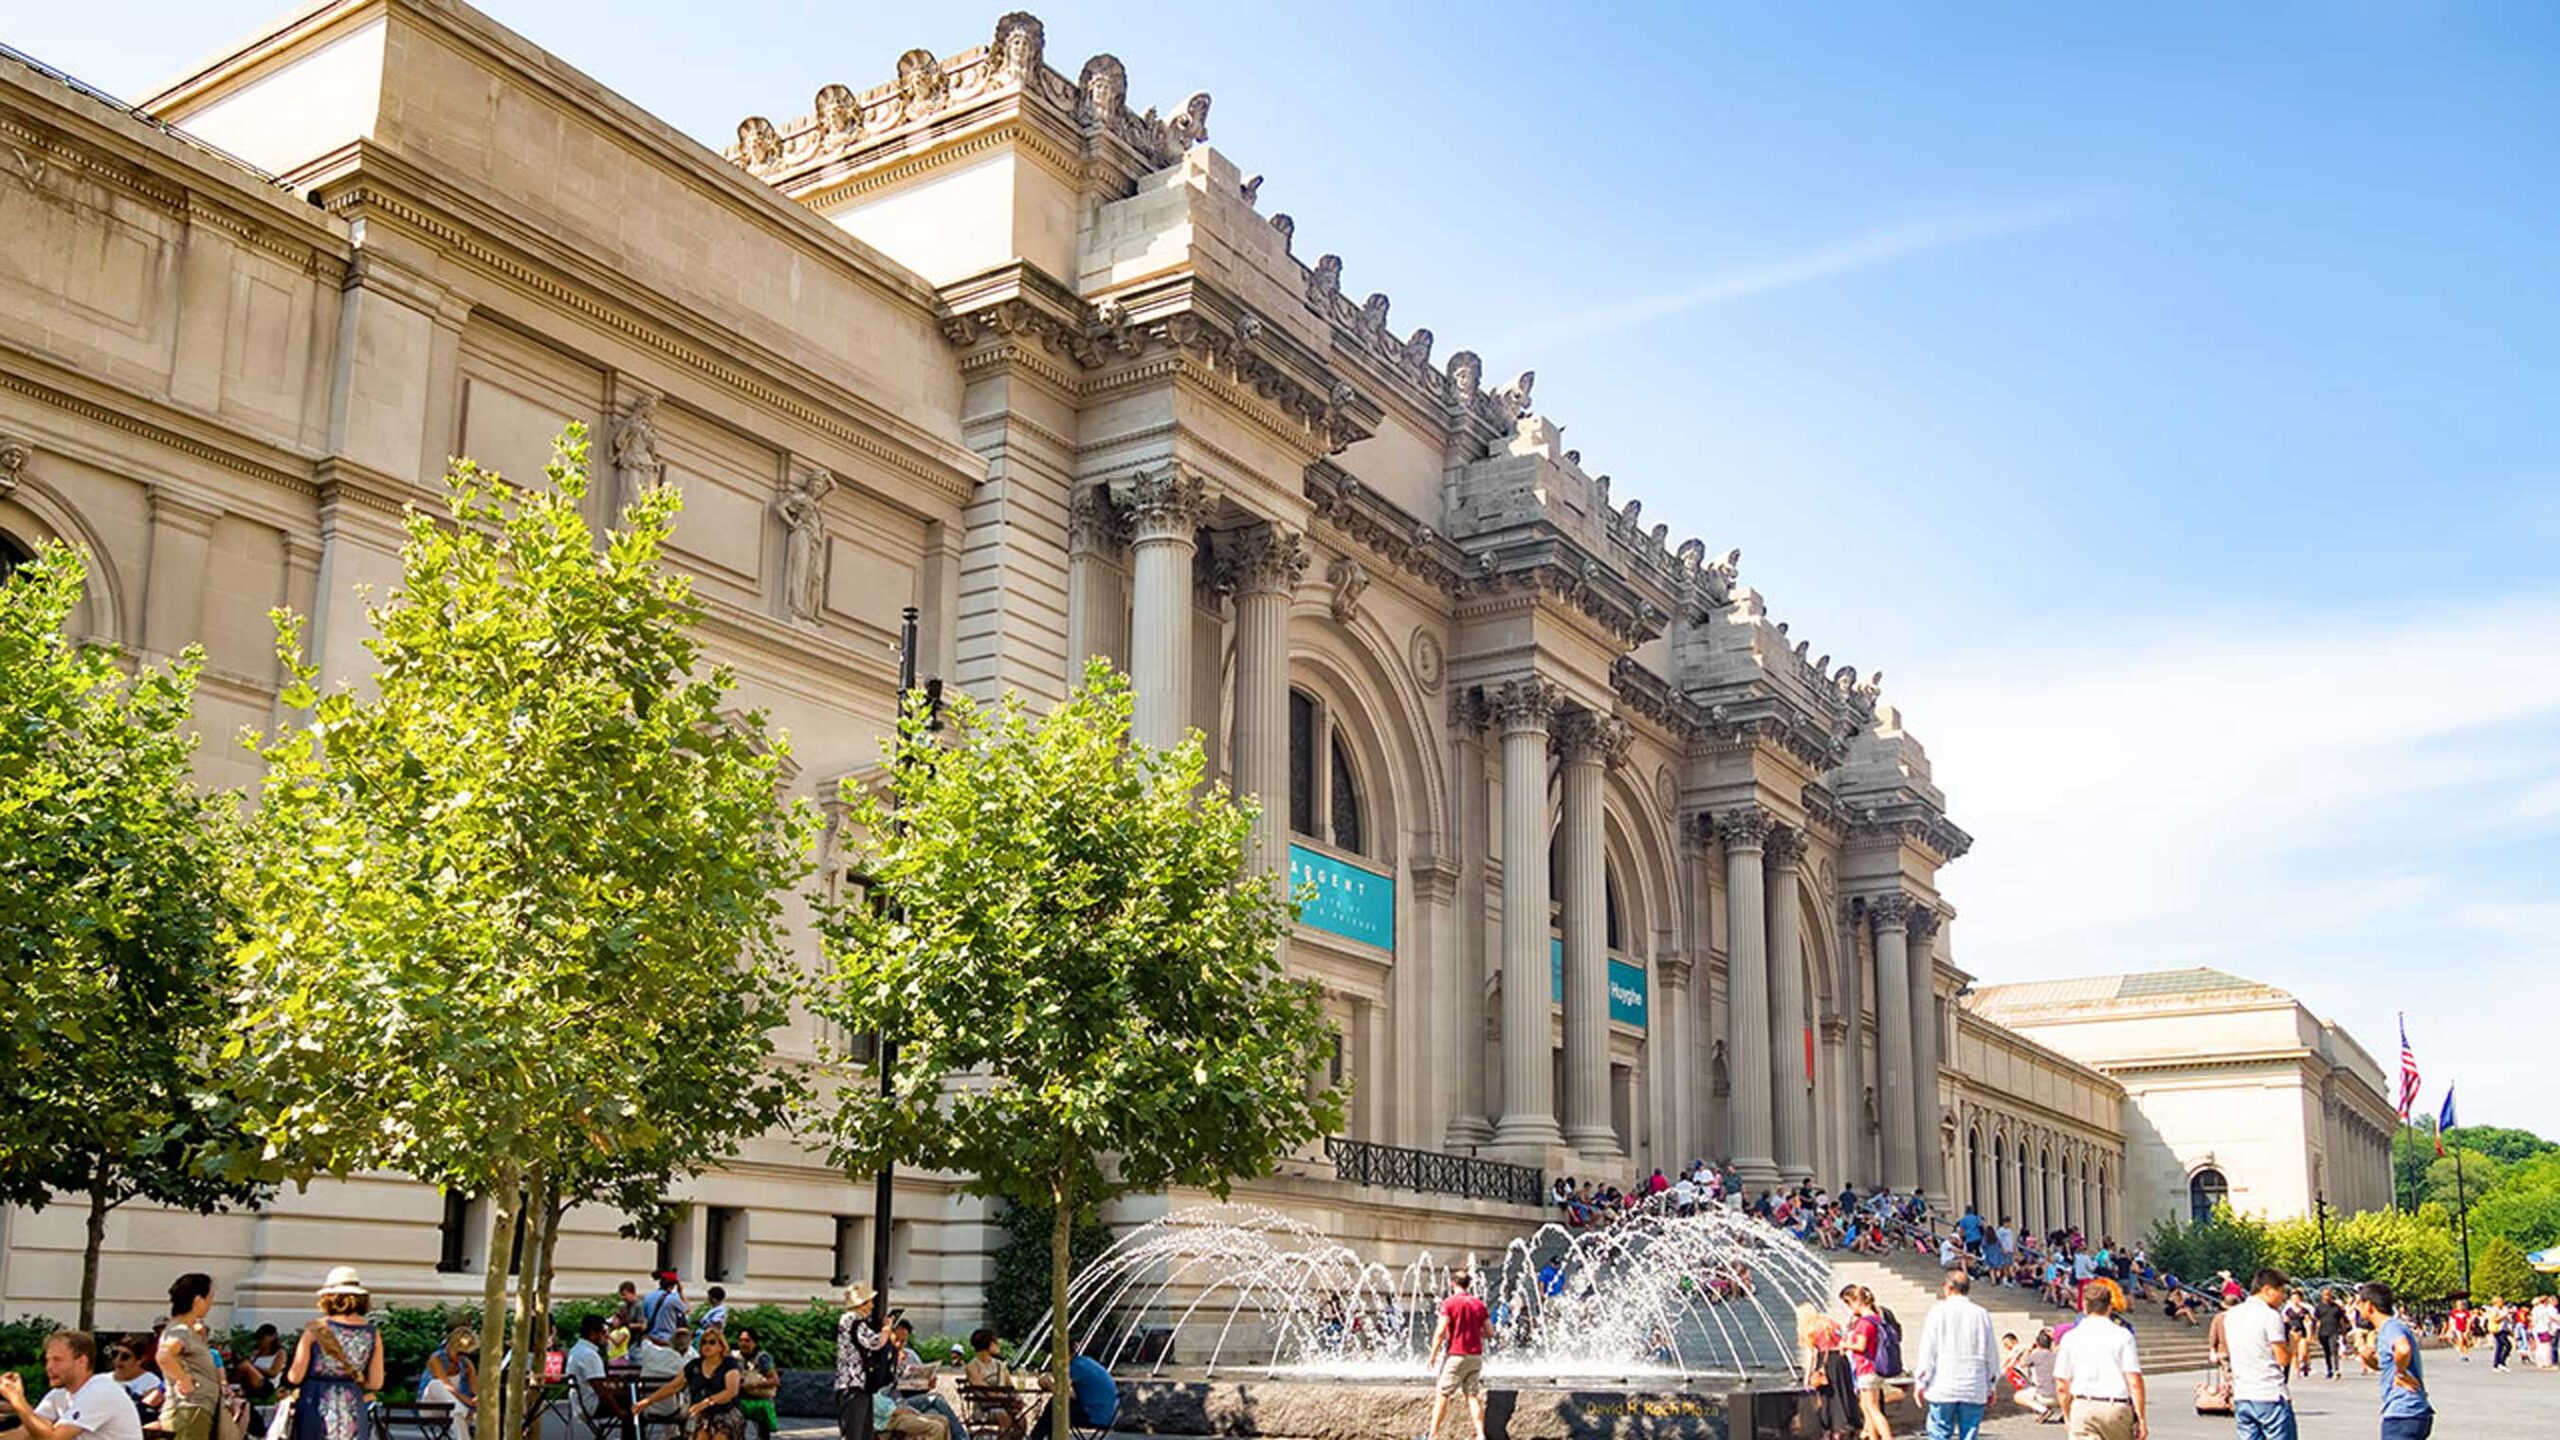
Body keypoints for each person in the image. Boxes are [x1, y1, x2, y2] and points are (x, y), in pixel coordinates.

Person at [288, 1267, 384, 1440]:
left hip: (315, 1401)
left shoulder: (315, 1329)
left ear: (328, 1298)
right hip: (353, 1403)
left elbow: (295, 1377)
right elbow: (376, 1383)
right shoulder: (371, 1333)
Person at [2, 1332, 144, 1440]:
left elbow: (53, 1437)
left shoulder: (100, 1391)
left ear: (81, 1361)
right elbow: (26, 1432)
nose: (49, 1367)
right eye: (48, 1360)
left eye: (57, 1360)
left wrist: (17, 1400)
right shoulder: (60, 1394)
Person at [1912, 1269, 1999, 1440]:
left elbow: (1928, 1350)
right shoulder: (1981, 1314)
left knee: (1939, 1432)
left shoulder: (1937, 1312)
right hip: (1973, 1384)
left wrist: (1921, 1381)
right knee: (1969, 1432)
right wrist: (1991, 1383)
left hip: (1942, 1383)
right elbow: (1991, 1352)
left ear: (1948, 1287)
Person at [2050, 1288, 2144, 1440]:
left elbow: (2061, 1384)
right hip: (2116, 1407)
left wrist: (2067, 1414)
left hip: (2083, 1406)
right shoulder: (2123, 1336)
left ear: (2084, 1306)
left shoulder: (2070, 1338)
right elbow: (2134, 1381)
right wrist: (2141, 1418)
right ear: (2109, 1307)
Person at [634, 1325, 744, 1440]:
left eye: (712, 1342)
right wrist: (647, 1401)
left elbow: (731, 1392)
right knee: (701, 1435)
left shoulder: (729, 1364)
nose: (707, 1346)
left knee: (721, 1435)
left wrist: (706, 1403)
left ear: (721, 1346)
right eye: (704, 1342)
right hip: (700, 1413)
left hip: (726, 1410)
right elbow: (674, 1386)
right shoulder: (694, 1365)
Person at [2224, 1268, 2296, 1440]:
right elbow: (2283, 1359)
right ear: (2267, 1289)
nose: (2283, 1298)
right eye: (2281, 1292)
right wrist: (2292, 1342)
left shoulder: (2231, 1314)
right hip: (2270, 1394)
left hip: (2243, 1394)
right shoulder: (2270, 1315)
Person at [2354, 1282, 2430, 1440]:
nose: (2357, 1307)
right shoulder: (2389, 1328)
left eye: (2359, 1302)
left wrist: (2400, 1374)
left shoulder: (2390, 1327)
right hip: (2412, 1411)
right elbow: (2386, 1364)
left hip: (2403, 1412)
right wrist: (2369, 1359)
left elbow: (2403, 1349)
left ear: (2369, 1305)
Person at [1421, 1270, 1489, 1440]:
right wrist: (1474, 1333)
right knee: (1473, 1395)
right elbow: (1490, 1332)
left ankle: (1433, 1435)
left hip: (1456, 1355)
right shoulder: (1479, 1304)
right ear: (1469, 1284)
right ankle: (1480, 1435)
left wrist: (1433, 1355)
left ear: (1452, 1283)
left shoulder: (1449, 1303)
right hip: (1476, 1356)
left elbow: (1440, 1331)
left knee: (1443, 1393)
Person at [151, 1274, 219, 1440]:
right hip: (188, 1410)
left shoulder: (185, 1330)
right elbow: (164, 1355)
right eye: (210, 1297)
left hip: (193, 1410)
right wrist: (183, 1379)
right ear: (198, 1300)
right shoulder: (180, 1331)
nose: (211, 1303)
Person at [832, 1283, 890, 1440]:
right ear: (860, 1304)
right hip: (853, 1385)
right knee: (854, 1433)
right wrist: (886, 1329)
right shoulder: (853, 1320)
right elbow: (875, 1342)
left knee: (862, 1432)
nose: (872, 1306)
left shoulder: (852, 1320)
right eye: (869, 1301)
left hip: (858, 1384)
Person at [1841, 1286, 1891, 1440]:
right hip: (1874, 1368)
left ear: (1857, 1301)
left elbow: (1861, 1346)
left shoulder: (1864, 1323)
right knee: (1868, 1407)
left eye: (1848, 1303)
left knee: (1873, 1409)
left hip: (1867, 1369)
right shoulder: (1876, 1318)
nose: (1849, 1308)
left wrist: (1845, 1345)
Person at [421, 1325, 478, 1440]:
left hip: (454, 1409)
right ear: (453, 1347)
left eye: (466, 1354)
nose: (462, 1357)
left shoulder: (466, 1363)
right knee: (436, 1384)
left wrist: (477, 1399)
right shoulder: (436, 1359)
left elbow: (474, 1389)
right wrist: (466, 1402)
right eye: (460, 1353)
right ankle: (464, 1411)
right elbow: (447, 1385)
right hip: (431, 1407)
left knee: (457, 1414)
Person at [731, 1328, 779, 1440]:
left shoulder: (763, 1358)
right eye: (741, 1340)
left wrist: (753, 1384)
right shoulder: (734, 1357)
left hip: (760, 1399)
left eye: (747, 1340)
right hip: (739, 1399)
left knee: (763, 1426)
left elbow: (775, 1381)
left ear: (754, 1342)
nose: (743, 1344)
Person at [104, 1344, 161, 1422]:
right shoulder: (102, 1380)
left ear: (140, 1360)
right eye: (115, 1354)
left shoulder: (151, 1382)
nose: (117, 1359)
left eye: (125, 1357)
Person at [230, 1326, 284, 1402]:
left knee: (245, 1365)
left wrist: (254, 1367)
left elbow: (274, 1373)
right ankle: (235, 1388)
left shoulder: (280, 1353)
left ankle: (233, 1388)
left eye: (263, 1339)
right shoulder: (257, 1352)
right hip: (252, 1382)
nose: (261, 1341)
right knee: (242, 1365)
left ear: (272, 1337)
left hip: (268, 1385)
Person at [643, 1273, 690, 1347]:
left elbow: (645, 1317)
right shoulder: (673, 1298)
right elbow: (687, 1309)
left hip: (650, 1338)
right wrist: (680, 1292)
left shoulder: (648, 1297)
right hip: (667, 1338)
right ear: (673, 1285)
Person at [2313, 1291, 2346, 1381]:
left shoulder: (2336, 1307)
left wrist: (2344, 1334)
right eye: (2325, 1295)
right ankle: (2329, 1369)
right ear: (2322, 1296)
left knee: (2334, 1350)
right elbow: (2316, 1321)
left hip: (2334, 1331)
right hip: (2323, 1332)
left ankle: (2336, 1369)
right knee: (2326, 1352)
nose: (2327, 1297)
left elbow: (2342, 1320)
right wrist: (2314, 1334)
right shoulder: (2319, 1307)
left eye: (2329, 1295)